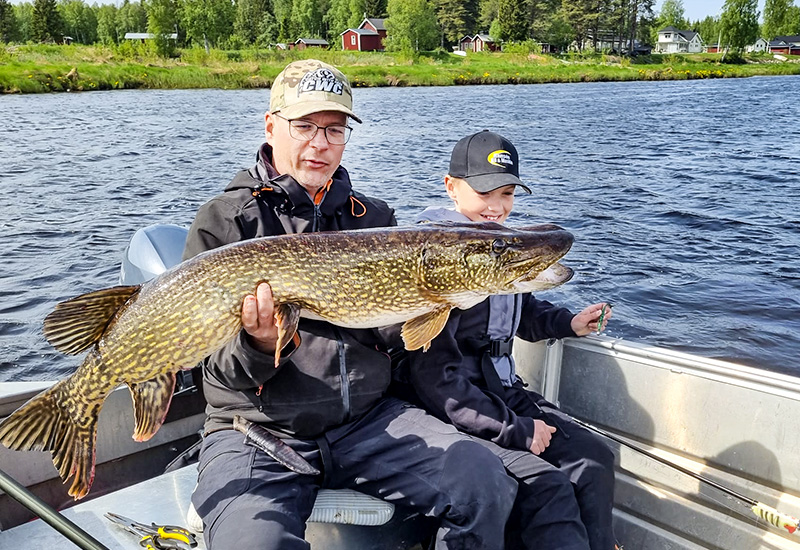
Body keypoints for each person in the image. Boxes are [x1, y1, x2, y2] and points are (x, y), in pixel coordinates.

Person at [182, 61, 517, 550]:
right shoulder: (225, 221)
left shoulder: (375, 217)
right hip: (256, 432)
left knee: (483, 480)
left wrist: (428, 302)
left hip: (367, 422)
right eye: (305, 127)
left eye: (334, 130)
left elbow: (391, 339)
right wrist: (258, 343)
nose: (320, 143)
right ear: (271, 125)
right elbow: (216, 375)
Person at [402, 130, 618, 550]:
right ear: (451, 187)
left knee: (595, 460)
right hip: (460, 403)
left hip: (504, 389)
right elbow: (434, 380)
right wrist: (514, 430)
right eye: (484, 193)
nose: (497, 207)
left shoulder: (502, 253)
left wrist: (568, 323)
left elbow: (522, 313)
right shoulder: (437, 258)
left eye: (507, 194)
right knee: (549, 488)